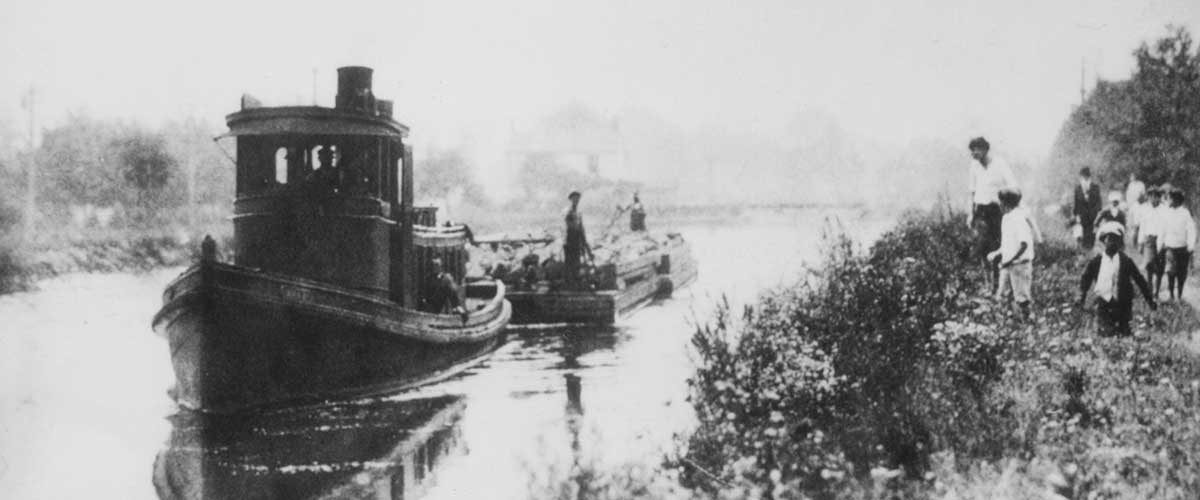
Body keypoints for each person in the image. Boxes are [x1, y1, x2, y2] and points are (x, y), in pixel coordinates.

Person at [1079, 222, 1157, 337]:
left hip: (1123, 304)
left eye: (1115, 239)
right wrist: (1082, 296)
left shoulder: (1125, 260)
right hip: (1104, 303)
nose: (1111, 243)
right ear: (1104, 241)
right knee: (1105, 333)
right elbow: (1086, 278)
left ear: (1120, 243)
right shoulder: (1097, 261)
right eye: (1108, 239)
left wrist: (1150, 300)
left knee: (1124, 333)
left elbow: (1139, 280)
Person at [966, 137, 1019, 293]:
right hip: (980, 212)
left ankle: (1000, 286)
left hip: (997, 212)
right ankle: (988, 286)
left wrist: (1011, 209)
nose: (973, 154)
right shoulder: (974, 166)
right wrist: (970, 213)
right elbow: (971, 192)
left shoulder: (1000, 164)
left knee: (998, 248)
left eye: (976, 150)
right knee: (982, 249)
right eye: (972, 150)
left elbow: (1013, 186)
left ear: (985, 149)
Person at [987, 189, 1035, 317]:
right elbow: (1007, 245)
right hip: (1008, 265)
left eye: (1001, 202)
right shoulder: (1006, 219)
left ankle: (1027, 322)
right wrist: (996, 253)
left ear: (1006, 203)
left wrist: (1010, 260)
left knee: (1022, 297)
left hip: (1020, 264)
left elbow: (1024, 244)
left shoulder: (1019, 218)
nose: (999, 205)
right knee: (1004, 294)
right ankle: (1011, 322)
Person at [1159, 188, 1196, 302]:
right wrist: (1159, 245)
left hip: (1182, 248)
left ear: (1177, 200)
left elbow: (1191, 230)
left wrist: (1191, 246)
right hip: (1170, 247)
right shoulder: (1166, 213)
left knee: (1181, 273)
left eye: (1171, 198)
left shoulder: (1185, 213)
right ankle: (1171, 294)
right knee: (1170, 271)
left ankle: (1179, 295)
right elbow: (1162, 230)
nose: (1169, 200)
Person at [1133, 187, 1164, 292]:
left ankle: (1157, 291)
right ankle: (1149, 287)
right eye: (1151, 196)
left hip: (1161, 240)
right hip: (1148, 240)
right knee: (1149, 264)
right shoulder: (1145, 209)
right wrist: (1140, 243)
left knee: (1160, 266)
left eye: (1156, 196)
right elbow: (1142, 226)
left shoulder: (1164, 210)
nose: (1153, 198)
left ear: (1159, 197)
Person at [563, 191, 594, 286]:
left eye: (578, 199)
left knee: (578, 263)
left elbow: (581, 227)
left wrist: (585, 243)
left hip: (578, 239)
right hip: (570, 240)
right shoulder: (568, 212)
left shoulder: (578, 213)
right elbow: (570, 226)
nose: (576, 200)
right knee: (570, 264)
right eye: (574, 198)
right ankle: (570, 283)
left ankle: (577, 283)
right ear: (571, 199)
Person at [425, 258, 468, 322]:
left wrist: (458, 307)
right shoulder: (429, 278)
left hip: (439, 308)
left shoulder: (446, 278)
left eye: (436, 265)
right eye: (433, 265)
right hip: (428, 307)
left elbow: (452, 294)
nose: (434, 267)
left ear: (441, 266)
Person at [1073, 167, 1103, 249]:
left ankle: (1090, 251)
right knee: (1082, 235)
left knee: (1091, 235)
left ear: (1089, 177)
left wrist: (1097, 214)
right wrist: (1076, 215)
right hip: (1082, 216)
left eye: (1087, 177)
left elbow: (1099, 203)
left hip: (1093, 216)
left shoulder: (1095, 187)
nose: (1085, 179)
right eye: (1083, 177)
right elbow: (1076, 203)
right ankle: (1084, 252)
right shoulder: (1078, 189)